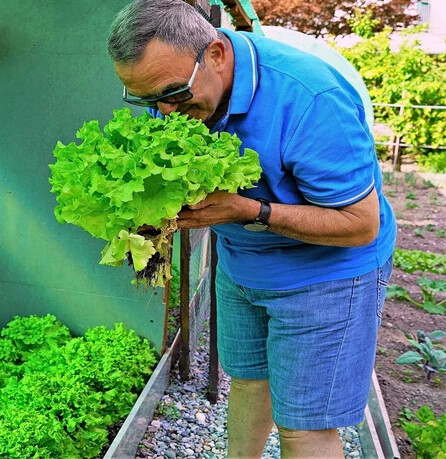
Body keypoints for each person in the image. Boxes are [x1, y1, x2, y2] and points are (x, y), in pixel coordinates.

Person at [107, 1, 397, 458]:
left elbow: (360, 225)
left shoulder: (309, 98)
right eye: (147, 100)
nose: (163, 111)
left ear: (217, 54)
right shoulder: (173, 91)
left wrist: (248, 211)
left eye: (174, 95)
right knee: (246, 383)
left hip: (327, 274)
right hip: (242, 268)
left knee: (304, 426)